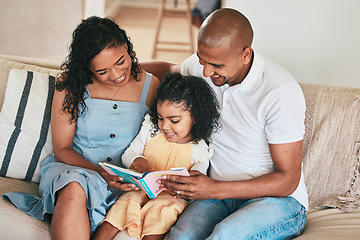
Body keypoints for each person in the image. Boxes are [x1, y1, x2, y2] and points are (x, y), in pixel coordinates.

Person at [145, 8, 308, 239]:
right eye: (202, 60)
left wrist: (214, 189)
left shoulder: (280, 92)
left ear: (245, 54)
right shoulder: (205, 68)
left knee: (225, 234)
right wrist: (116, 69)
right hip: (218, 196)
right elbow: (168, 70)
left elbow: (287, 180)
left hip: (279, 202)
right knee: (181, 236)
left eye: (216, 65)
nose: (205, 71)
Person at [3, 16, 160, 239]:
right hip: (76, 171)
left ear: (126, 46)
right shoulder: (70, 85)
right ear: (87, 68)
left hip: (125, 181)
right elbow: (63, 149)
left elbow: (157, 141)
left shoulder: (151, 85)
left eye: (120, 61)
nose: (116, 75)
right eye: (103, 72)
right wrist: (100, 173)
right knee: (74, 187)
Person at [93, 72, 221, 240]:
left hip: (170, 198)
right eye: (160, 118)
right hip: (141, 189)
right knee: (126, 202)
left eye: (174, 121)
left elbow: (196, 184)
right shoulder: (151, 130)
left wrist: (179, 187)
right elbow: (129, 153)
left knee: (162, 210)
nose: (165, 126)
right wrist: (138, 160)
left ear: (195, 118)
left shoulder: (200, 149)